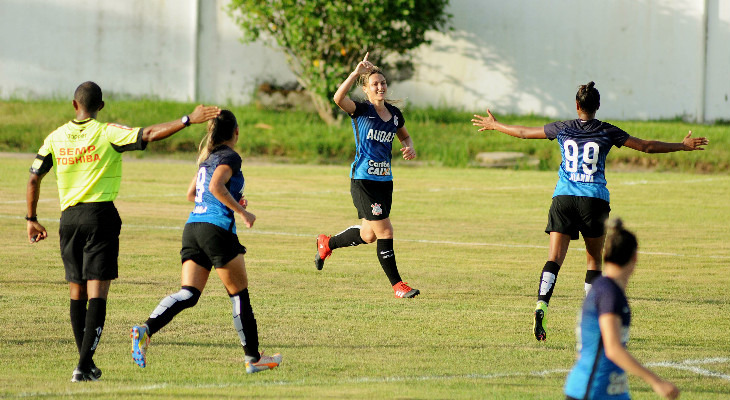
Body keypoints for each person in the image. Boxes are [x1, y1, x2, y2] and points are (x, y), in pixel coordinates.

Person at [471, 81, 708, 341]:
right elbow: (646, 146)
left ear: (576, 105)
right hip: (593, 200)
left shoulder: (563, 127)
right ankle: (592, 318)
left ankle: (541, 303)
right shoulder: (607, 130)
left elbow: (525, 132)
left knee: (554, 258)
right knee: (594, 260)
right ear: (597, 106)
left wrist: (496, 125)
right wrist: (682, 145)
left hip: (563, 198)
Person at [25, 81, 221, 382]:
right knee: (97, 293)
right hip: (99, 216)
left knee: (76, 293)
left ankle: (85, 364)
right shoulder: (107, 133)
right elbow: (149, 134)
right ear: (100, 107)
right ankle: (83, 365)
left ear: (74, 105)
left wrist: (31, 218)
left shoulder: (55, 137)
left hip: (69, 219)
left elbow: (34, 178)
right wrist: (186, 120)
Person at [130, 110, 282, 374]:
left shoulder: (207, 158)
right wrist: (242, 211)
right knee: (238, 295)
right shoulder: (230, 156)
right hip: (216, 230)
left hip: (193, 227)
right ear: (236, 132)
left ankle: (146, 329)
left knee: (188, 293)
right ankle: (253, 359)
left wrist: (232, 199)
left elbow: (193, 194)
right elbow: (214, 188)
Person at [314, 52, 420, 298]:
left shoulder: (394, 114)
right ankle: (398, 286)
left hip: (385, 182)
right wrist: (355, 72)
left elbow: (404, 135)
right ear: (366, 89)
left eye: (382, 83)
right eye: (374, 84)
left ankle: (326, 244)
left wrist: (410, 146)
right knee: (385, 232)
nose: (380, 87)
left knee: (368, 235)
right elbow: (338, 98)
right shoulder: (361, 110)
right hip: (363, 181)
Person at [564, 218, 680, 400]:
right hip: (592, 391)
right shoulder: (608, 292)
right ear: (634, 257)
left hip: (611, 391)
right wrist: (656, 382)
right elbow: (612, 349)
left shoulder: (605, 288)